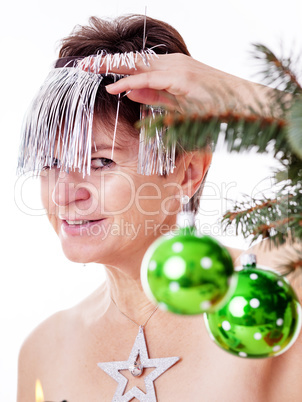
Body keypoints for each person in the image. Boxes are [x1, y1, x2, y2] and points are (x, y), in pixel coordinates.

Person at [17, 14, 302, 402]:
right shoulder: (43, 352)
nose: (65, 194)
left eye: (101, 162)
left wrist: (241, 97)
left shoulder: (274, 292)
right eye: (49, 164)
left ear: (188, 172)